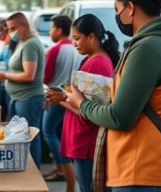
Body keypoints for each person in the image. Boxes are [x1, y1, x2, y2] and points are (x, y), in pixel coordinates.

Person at [65, 0, 161, 191]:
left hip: (145, 173)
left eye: (118, 10)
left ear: (130, 8)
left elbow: (119, 117)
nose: (117, 17)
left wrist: (80, 103)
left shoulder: (147, 49)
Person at [47, 14, 120, 192]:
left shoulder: (98, 64)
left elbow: (89, 112)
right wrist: (63, 95)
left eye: (77, 38)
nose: (73, 43)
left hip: (87, 140)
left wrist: (62, 98)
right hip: (81, 139)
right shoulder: (90, 60)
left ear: (91, 37)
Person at [0, 12, 45, 168]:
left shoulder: (30, 45)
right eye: (8, 29)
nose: (10, 33)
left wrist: (5, 75)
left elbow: (29, 75)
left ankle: (34, 172)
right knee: (17, 135)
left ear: (23, 25)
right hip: (19, 97)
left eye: (13, 28)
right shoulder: (23, 42)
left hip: (28, 98)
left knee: (29, 137)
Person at [41, 15, 84, 184]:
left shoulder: (54, 49)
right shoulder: (76, 49)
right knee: (59, 134)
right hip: (72, 96)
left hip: (55, 96)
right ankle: (63, 169)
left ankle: (64, 167)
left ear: (59, 30)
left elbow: (46, 77)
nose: (50, 32)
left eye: (51, 28)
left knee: (48, 131)